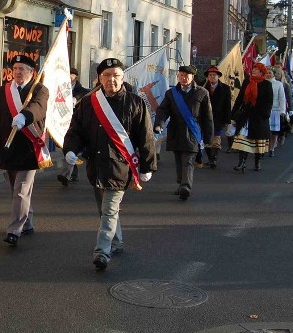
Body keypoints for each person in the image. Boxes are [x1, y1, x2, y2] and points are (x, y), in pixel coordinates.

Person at [63, 58, 156, 270]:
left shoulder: (135, 102)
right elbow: (76, 130)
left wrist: (147, 166)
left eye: (116, 75)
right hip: (95, 165)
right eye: (106, 75)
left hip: (121, 166)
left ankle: (102, 253)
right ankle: (117, 241)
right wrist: (70, 149)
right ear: (99, 78)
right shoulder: (88, 102)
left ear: (122, 78)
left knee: (109, 210)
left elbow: (146, 137)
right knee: (104, 209)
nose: (111, 80)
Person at [0, 54, 49, 246]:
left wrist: (25, 116)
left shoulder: (39, 89)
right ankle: (27, 223)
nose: (17, 72)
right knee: (16, 189)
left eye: (22, 69)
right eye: (15, 68)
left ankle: (14, 230)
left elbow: (38, 107)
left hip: (29, 148)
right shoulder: (3, 91)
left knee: (21, 191)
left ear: (32, 73)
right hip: (8, 148)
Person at [154, 65, 213, 201]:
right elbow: (163, 110)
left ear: (192, 77)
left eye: (186, 75)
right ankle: (181, 183)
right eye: (181, 75)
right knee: (179, 158)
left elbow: (207, 116)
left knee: (188, 160)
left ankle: (186, 186)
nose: (183, 78)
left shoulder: (202, 93)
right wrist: (159, 124)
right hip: (175, 130)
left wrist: (208, 136)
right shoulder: (171, 93)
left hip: (193, 131)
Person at [231, 63, 274, 172]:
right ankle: (241, 163)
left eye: (256, 69)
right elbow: (240, 98)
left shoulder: (266, 84)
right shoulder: (247, 82)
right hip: (246, 116)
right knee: (242, 139)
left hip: (259, 117)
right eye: (253, 68)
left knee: (258, 142)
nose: (254, 70)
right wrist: (234, 112)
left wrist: (265, 114)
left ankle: (257, 161)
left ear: (261, 72)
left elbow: (269, 101)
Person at [58, 67, 90, 185]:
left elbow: (83, 96)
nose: (68, 78)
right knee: (66, 148)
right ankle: (72, 172)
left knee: (72, 146)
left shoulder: (82, 91)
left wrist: (75, 99)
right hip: (62, 123)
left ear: (75, 77)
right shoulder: (61, 89)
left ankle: (66, 175)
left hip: (76, 124)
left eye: (71, 76)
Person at [200, 66, 231, 169]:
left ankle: (214, 158)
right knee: (207, 139)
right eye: (210, 75)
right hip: (205, 117)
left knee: (216, 139)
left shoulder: (225, 88)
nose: (212, 77)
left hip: (218, 117)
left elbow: (227, 105)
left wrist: (227, 119)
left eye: (214, 75)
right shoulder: (202, 87)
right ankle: (210, 159)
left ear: (218, 76)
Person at [266, 66, 287, 157]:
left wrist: (282, 110)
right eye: (266, 73)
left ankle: (272, 148)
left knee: (274, 131)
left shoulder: (278, 84)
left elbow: (282, 98)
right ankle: (265, 147)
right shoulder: (262, 83)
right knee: (266, 130)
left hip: (275, 110)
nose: (268, 74)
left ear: (273, 74)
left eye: (270, 73)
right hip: (265, 110)